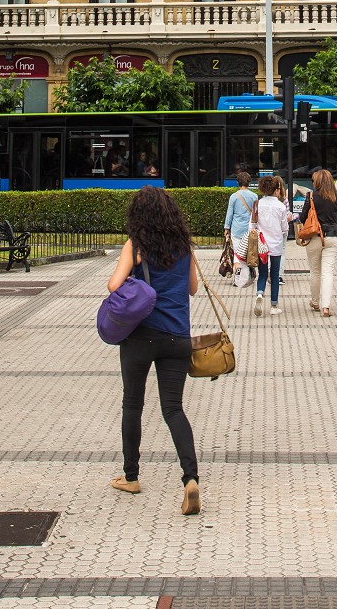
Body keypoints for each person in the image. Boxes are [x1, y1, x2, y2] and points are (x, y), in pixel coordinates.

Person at [106, 187, 200, 515]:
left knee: (133, 403)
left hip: (140, 336)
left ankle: (131, 476)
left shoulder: (136, 246)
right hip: (178, 337)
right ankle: (191, 479)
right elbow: (192, 288)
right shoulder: (185, 246)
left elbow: (114, 286)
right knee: (173, 409)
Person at [300, 169, 337, 317]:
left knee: (315, 271)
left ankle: (315, 301)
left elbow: (302, 217)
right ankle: (326, 307)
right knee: (328, 273)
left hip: (314, 237)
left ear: (317, 182)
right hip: (332, 238)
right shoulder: (335, 196)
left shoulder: (311, 196)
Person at [252, 175, 292, 315]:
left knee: (262, 274)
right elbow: (284, 228)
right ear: (276, 190)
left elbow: (252, 224)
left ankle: (259, 294)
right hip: (276, 244)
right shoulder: (280, 206)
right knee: (274, 275)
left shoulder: (258, 204)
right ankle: (274, 306)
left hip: (262, 244)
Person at [223, 172, 258, 284]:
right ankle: (248, 275)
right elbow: (256, 214)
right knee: (248, 253)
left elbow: (229, 214)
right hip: (250, 230)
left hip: (237, 229)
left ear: (238, 182)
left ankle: (237, 279)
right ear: (249, 182)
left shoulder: (234, 197)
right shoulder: (254, 196)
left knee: (238, 253)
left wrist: (226, 228)